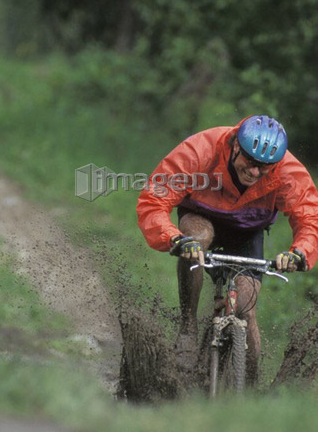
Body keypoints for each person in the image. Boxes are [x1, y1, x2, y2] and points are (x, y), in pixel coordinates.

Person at [136, 115, 318, 384]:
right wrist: (173, 238)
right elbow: (154, 198)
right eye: (250, 162)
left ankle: (248, 397)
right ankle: (188, 326)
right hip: (200, 218)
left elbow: (309, 217)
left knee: (245, 307)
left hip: (246, 233)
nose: (254, 172)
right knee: (197, 239)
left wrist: (300, 252)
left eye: (264, 167)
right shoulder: (201, 149)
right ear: (235, 146)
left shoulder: (286, 170)